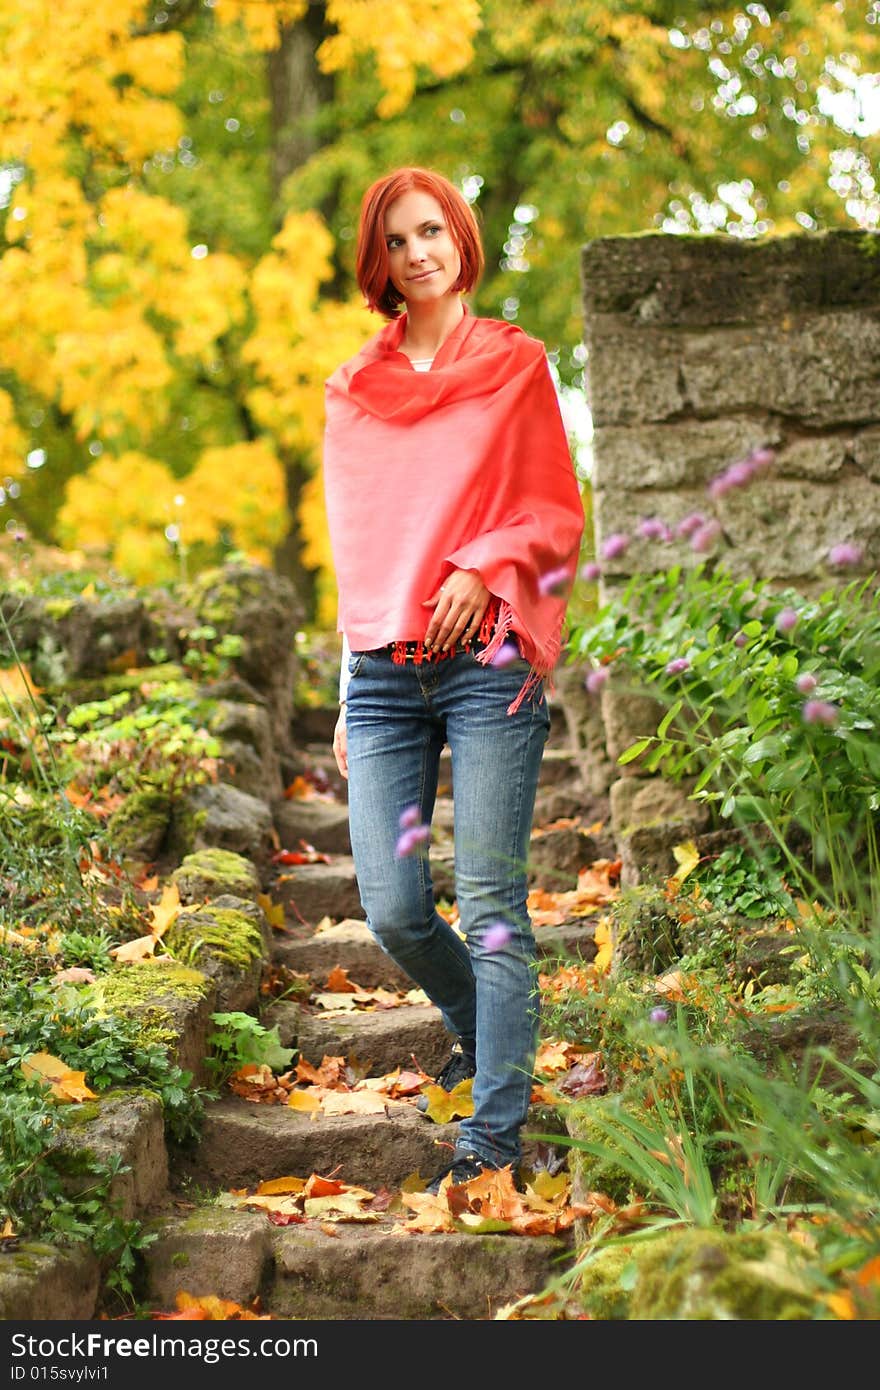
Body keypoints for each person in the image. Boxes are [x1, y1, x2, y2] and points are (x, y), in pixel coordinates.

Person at [322, 166, 584, 1193]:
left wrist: (484, 565)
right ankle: (496, 1043)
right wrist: (350, 682)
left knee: (490, 905)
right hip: (385, 676)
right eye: (396, 241)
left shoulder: (517, 366)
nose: (417, 251)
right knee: (390, 908)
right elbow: (360, 547)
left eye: (431, 230)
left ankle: (493, 1142)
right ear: (377, 261)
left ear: (459, 237)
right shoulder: (354, 390)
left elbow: (553, 510)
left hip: (487, 671)